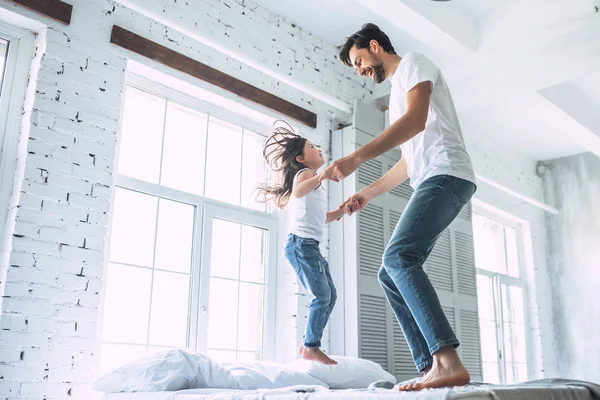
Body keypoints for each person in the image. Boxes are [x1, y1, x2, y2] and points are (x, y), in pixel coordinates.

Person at [321, 23, 477, 390]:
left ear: (375, 47)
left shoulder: (414, 65)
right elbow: (409, 161)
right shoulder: (395, 99)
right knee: (389, 272)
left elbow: (417, 120)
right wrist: (367, 193)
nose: (359, 70)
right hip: (433, 176)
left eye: (359, 60)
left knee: (398, 258)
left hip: (447, 173)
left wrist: (357, 157)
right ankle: (430, 367)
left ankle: (448, 360)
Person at [257, 122, 353, 365]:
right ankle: (311, 346)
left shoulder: (315, 183)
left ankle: (307, 343)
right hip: (300, 245)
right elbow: (298, 192)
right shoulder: (306, 174)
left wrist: (341, 211)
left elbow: (322, 218)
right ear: (300, 158)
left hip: (310, 246)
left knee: (330, 295)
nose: (318, 148)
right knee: (322, 295)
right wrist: (322, 174)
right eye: (312, 146)